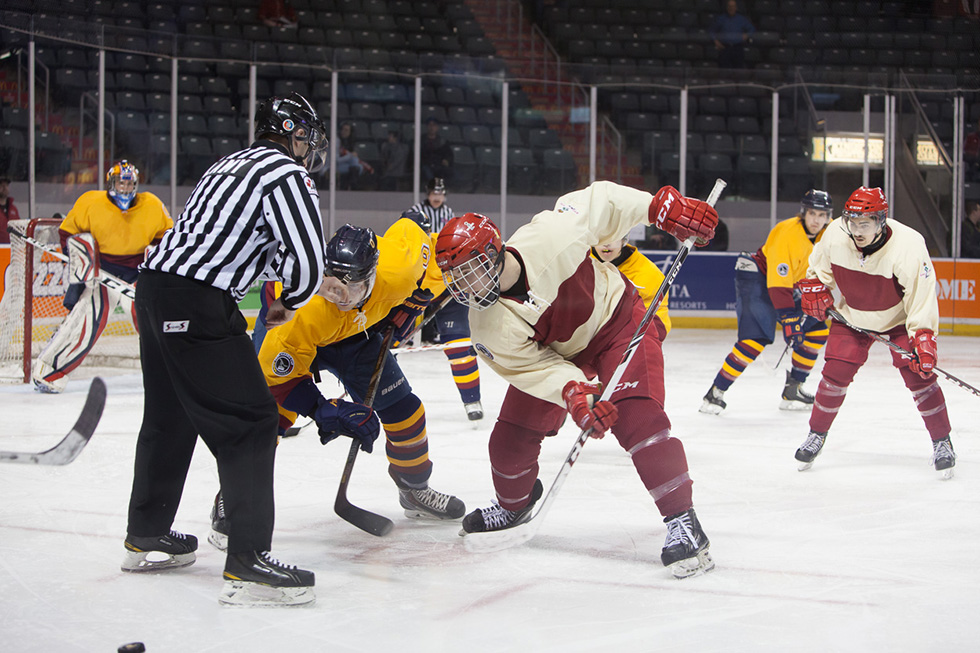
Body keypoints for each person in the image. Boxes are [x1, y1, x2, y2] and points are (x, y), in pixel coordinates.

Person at [435, 181, 720, 578]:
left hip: (617, 323)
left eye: (470, 273)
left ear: (492, 254)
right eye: (455, 278)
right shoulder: (485, 327)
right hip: (562, 353)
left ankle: (683, 523)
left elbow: (601, 200)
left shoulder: (551, 236)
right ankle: (514, 505)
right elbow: (533, 368)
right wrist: (577, 395)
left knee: (638, 420)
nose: (464, 287)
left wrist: (662, 209)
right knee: (508, 439)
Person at [122, 93, 328, 607]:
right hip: (197, 302)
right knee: (253, 422)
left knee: (169, 416)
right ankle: (248, 560)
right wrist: (292, 300)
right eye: (304, 134)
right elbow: (306, 263)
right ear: (287, 132)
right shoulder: (285, 173)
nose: (309, 146)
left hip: (154, 293)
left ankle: (146, 534)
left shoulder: (226, 165)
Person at [223, 219, 465, 540]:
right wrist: (324, 410)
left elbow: (424, 242)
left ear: (373, 274)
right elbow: (277, 380)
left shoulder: (399, 270)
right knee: (266, 418)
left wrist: (417, 296)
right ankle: (232, 496)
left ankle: (414, 489)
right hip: (305, 338)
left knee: (405, 412)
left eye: (351, 287)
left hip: (358, 337)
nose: (340, 296)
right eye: (333, 285)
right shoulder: (306, 310)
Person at [793, 187, 956, 479]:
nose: (856, 230)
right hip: (852, 317)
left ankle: (942, 441)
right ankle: (816, 435)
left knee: (921, 378)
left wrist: (923, 338)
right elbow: (818, 271)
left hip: (898, 320)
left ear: (881, 221)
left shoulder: (909, 244)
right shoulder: (835, 234)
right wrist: (814, 287)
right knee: (835, 374)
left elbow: (922, 297)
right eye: (852, 222)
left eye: (864, 224)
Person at [32, 161, 172, 393]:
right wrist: (79, 257)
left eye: (130, 182)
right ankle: (49, 372)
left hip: (138, 272)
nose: (126, 187)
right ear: (110, 183)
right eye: (121, 182)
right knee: (86, 320)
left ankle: (171, 374)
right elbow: (68, 233)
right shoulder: (90, 202)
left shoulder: (153, 204)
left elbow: (165, 236)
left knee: (152, 322)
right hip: (102, 272)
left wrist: (155, 257)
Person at [700, 190, 833, 414]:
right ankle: (715, 393)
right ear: (803, 213)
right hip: (758, 277)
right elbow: (777, 283)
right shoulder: (787, 233)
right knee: (755, 340)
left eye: (822, 215)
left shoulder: (829, 236)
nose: (816, 220)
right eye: (812, 213)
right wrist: (790, 319)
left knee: (817, 330)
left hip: (790, 285)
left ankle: (794, 389)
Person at [408, 179, 484, 420]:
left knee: (459, 346)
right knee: (382, 346)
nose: (437, 197)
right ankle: (365, 401)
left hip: (449, 292)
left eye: (441, 192)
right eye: (434, 192)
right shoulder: (416, 220)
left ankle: (472, 401)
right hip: (414, 291)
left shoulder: (452, 219)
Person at [591, 236, 671, 342]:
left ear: (623, 240)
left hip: (625, 341)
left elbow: (658, 318)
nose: (606, 244)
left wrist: (647, 338)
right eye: (602, 236)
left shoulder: (649, 273)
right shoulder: (578, 263)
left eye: (613, 237)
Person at [709, 0, 755, 69]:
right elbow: (711, 31)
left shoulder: (741, 19)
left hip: (737, 48)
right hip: (724, 48)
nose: (731, 8)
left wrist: (747, 35)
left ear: (736, 8)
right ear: (727, 7)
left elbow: (752, 29)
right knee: (724, 71)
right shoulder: (721, 19)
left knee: (738, 71)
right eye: (729, 6)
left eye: (733, 6)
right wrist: (716, 41)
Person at [335, 121, 373, 190]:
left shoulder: (350, 142)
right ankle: (353, 187)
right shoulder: (336, 141)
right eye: (343, 129)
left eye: (346, 130)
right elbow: (335, 160)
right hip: (335, 166)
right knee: (356, 164)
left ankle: (352, 187)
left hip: (349, 166)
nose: (344, 132)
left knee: (357, 166)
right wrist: (350, 156)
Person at [420, 118, 454, 185]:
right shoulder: (421, 140)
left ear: (437, 127)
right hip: (425, 165)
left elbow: (449, 154)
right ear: (427, 127)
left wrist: (446, 160)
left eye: (434, 125)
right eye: (430, 125)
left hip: (439, 165)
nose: (432, 127)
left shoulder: (442, 141)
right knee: (427, 172)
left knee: (449, 172)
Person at [0, 174, 20, 245]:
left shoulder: (13, 209)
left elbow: (18, 228)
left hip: (12, 248)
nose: (4, 188)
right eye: (1, 185)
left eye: (6, 185)